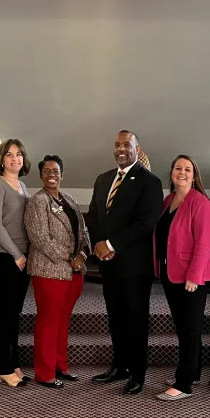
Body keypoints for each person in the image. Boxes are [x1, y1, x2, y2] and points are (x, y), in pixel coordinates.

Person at [87, 130, 163, 395]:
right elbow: (94, 215)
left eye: (127, 145)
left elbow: (144, 224)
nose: (121, 149)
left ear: (137, 148)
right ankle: (119, 366)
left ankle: (137, 374)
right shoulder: (103, 178)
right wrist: (98, 245)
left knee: (136, 320)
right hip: (108, 265)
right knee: (116, 318)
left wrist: (109, 245)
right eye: (117, 144)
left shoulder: (149, 181)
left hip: (134, 267)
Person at [24, 155, 89, 389]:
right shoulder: (37, 202)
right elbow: (40, 238)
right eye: (47, 171)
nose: (52, 175)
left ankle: (61, 366)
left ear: (62, 174)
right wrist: (69, 257)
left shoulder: (69, 199)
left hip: (74, 272)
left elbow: (84, 231)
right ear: (41, 175)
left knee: (63, 321)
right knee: (48, 322)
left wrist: (82, 254)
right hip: (48, 271)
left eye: (56, 170)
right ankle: (44, 372)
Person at [153, 155, 210, 401]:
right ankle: (193, 372)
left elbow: (203, 243)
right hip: (169, 273)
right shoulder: (169, 200)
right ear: (171, 172)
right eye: (178, 168)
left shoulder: (200, 202)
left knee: (189, 329)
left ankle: (184, 383)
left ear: (194, 174)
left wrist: (194, 276)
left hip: (190, 277)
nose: (182, 172)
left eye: (188, 169)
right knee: (184, 327)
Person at [0, 139, 32, 388]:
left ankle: (13, 363)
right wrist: (15, 254)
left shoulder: (22, 185)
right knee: (5, 313)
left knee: (15, 313)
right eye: (10, 154)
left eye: (19, 154)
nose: (15, 159)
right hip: (3, 256)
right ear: (1, 158)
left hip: (22, 256)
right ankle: (3, 367)